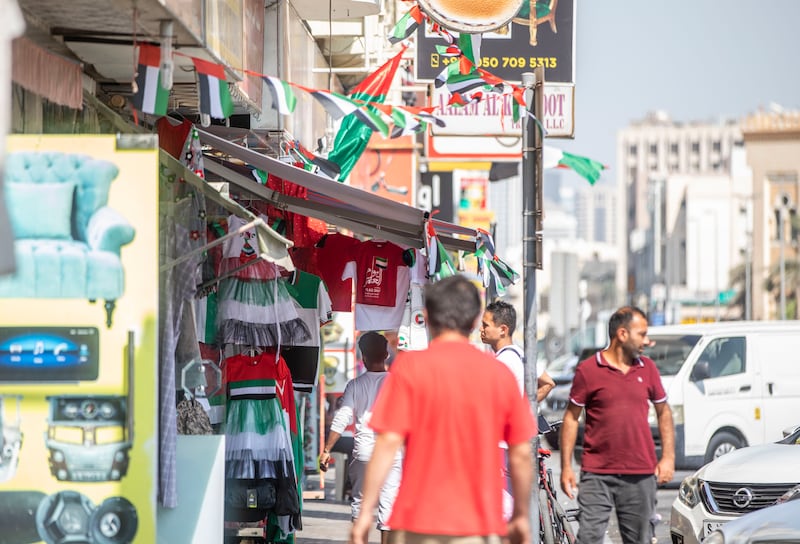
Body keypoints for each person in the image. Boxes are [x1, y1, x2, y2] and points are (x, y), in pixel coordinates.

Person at [350, 275, 537, 544]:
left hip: (417, 521)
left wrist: (366, 513)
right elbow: (520, 452)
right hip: (478, 524)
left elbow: (388, 443)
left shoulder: (409, 368)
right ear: (474, 322)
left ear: (426, 316)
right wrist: (520, 514)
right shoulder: (498, 374)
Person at [560, 306, 675, 544]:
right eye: (641, 334)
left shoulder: (648, 369)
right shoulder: (588, 370)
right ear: (622, 334)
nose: (647, 340)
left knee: (640, 540)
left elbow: (664, 412)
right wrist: (567, 467)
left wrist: (668, 458)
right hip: (596, 474)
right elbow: (571, 418)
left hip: (640, 474)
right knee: (588, 538)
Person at [319, 331, 401, 544]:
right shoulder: (397, 383)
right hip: (391, 453)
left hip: (364, 452)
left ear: (362, 357)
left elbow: (341, 419)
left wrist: (327, 450)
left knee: (360, 504)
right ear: (386, 355)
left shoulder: (355, 385)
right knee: (389, 507)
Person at [480, 299, 556, 400]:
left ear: (503, 330)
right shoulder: (520, 354)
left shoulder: (503, 361)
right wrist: (525, 407)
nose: (481, 329)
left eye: (485, 325)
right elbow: (548, 383)